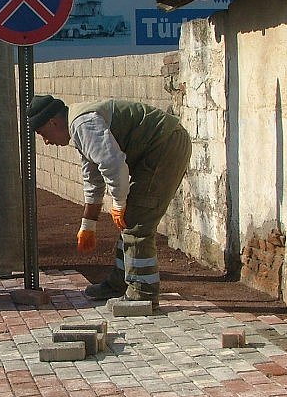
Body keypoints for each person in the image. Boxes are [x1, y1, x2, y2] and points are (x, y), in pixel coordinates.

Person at [27, 95, 191, 309]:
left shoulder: (83, 124)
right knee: (129, 221)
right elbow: (93, 178)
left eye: (42, 134)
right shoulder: (79, 130)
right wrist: (88, 224)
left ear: (53, 122)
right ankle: (120, 283)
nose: (46, 141)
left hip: (166, 145)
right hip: (158, 147)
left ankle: (143, 294)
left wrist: (119, 203)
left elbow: (113, 164)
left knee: (136, 223)